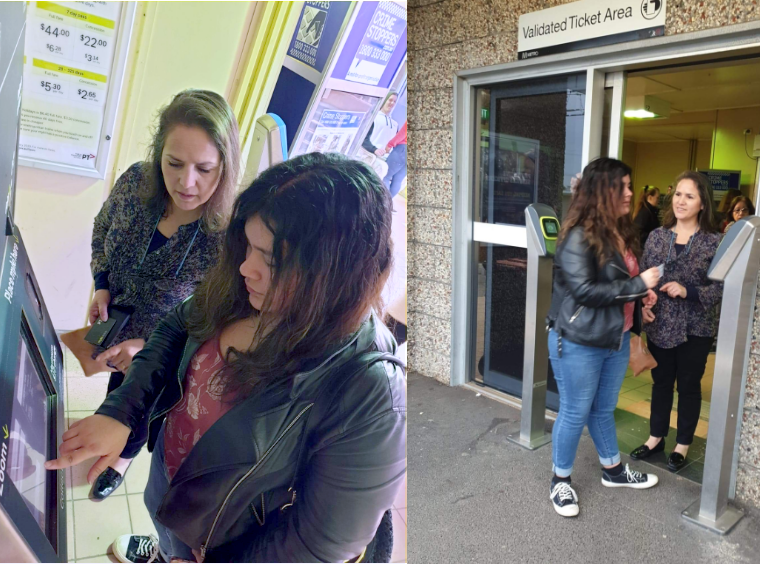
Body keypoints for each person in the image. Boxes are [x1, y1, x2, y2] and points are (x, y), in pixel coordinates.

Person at [46, 153, 407, 563]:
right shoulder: (246, 291)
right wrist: (122, 411)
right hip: (175, 481)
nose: (245, 268)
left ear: (333, 275)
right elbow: (175, 327)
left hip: (228, 542)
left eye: (270, 260)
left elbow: (318, 544)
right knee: (168, 533)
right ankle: (164, 549)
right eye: (249, 247)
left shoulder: (372, 394)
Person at [86, 89, 240, 501]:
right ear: (158, 155)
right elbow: (102, 230)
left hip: (161, 344)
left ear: (225, 167)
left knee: (142, 398)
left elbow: (211, 320)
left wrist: (147, 348)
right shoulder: (137, 182)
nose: (186, 183)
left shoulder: (228, 237)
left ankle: (122, 460)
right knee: (116, 387)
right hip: (113, 320)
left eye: (204, 169)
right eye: (173, 163)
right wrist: (101, 283)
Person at [545, 157, 661, 518]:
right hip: (579, 338)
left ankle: (613, 471)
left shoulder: (620, 231)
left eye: (630, 185)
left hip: (616, 336)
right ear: (603, 191)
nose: (630, 192)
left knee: (603, 409)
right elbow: (586, 292)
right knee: (575, 410)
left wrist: (642, 296)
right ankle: (559, 480)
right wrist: (638, 285)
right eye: (623, 186)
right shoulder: (579, 234)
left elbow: (619, 281)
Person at [631, 171, 722, 472]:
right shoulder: (658, 236)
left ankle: (683, 443)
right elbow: (645, 280)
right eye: (678, 194)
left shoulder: (714, 242)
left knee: (689, 385)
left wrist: (689, 291)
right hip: (660, 323)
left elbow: (723, 286)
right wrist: (644, 305)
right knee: (660, 383)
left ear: (703, 204)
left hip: (696, 327)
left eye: (690, 196)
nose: (681, 201)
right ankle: (656, 436)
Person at [362, 92, 399, 159]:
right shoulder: (373, 117)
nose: (392, 103)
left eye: (394, 101)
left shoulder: (395, 124)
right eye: (390, 100)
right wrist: (374, 149)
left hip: (383, 160)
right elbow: (363, 138)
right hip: (368, 156)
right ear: (384, 100)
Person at [383, 121, 407, 198]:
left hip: (403, 149)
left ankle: (382, 203)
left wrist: (390, 144)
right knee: (398, 180)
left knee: (385, 175)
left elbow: (403, 133)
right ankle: (387, 205)